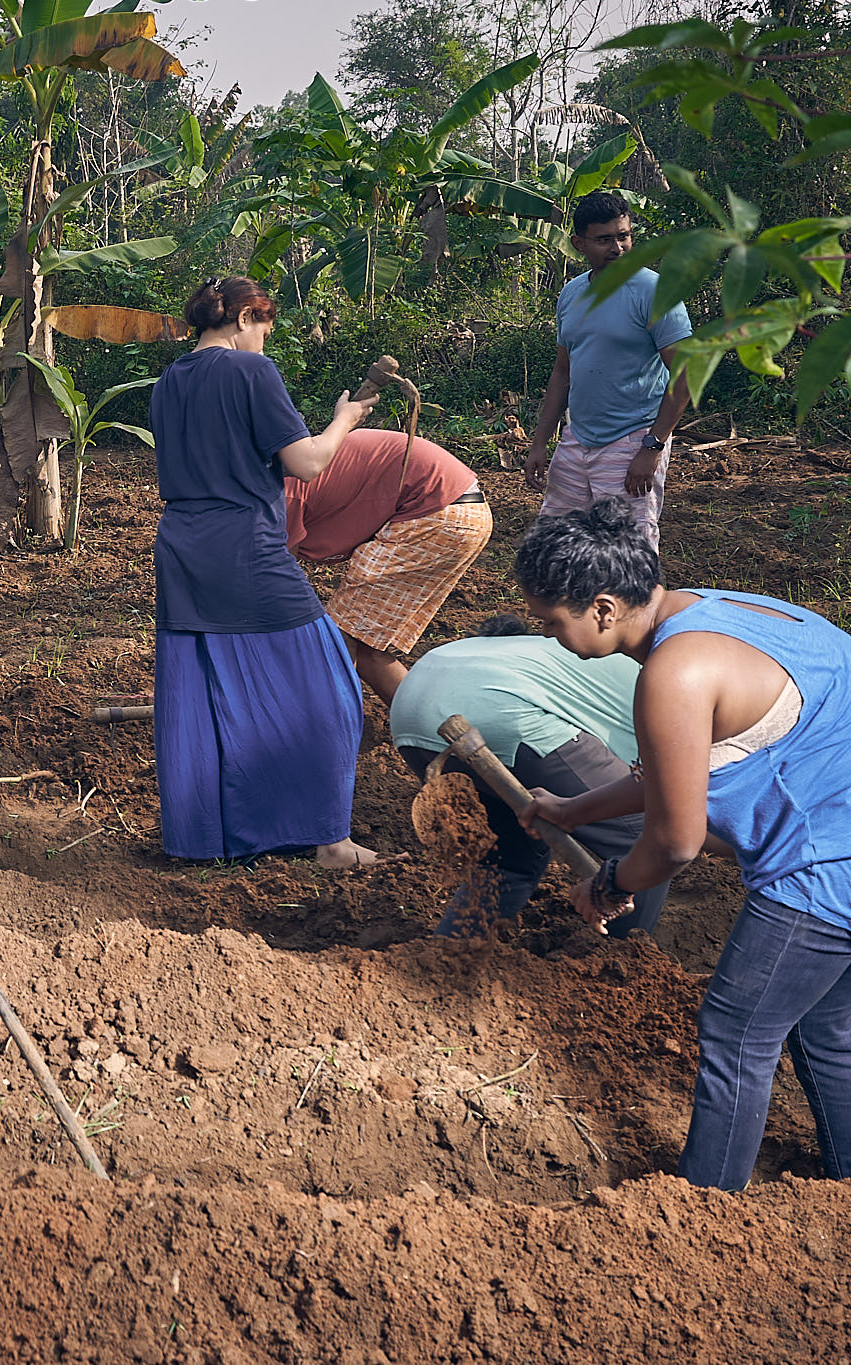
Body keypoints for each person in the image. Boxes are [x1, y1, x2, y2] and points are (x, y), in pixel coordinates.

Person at [516, 498, 851, 1191]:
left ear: (603, 608)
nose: (548, 635)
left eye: (553, 621)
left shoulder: (672, 674)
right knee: (824, 1027)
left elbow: (674, 841)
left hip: (827, 866)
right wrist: (575, 809)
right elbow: (681, 768)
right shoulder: (718, 612)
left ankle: (701, 1216)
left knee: (736, 1030)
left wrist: (611, 884)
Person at [149, 277, 388, 869]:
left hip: (181, 545)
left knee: (201, 688)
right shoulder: (251, 372)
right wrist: (345, 419)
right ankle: (330, 839)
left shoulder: (167, 382)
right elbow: (305, 463)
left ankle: (206, 839)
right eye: (262, 329)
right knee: (331, 686)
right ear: (240, 320)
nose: (262, 342)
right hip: (245, 546)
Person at [388, 614, 666, 936]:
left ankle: (453, 957)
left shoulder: (535, 652)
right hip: (502, 712)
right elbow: (658, 785)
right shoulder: (663, 676)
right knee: (644, 840)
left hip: (409, 712)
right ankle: (627, 969)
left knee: (510, 856)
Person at [522, 190, 694, 551]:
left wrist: (652, 447)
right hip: (577, 439)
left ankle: (635, 610)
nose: (617, 248)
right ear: (578, 243)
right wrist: (540, 443)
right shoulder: (571, 294)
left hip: (632, 439)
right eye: (604, 240)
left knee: (628, 551)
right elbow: (562, 373)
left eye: (624, 236)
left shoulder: (655, 292)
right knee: (556, 544)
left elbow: (685, 376)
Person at [287, 428, 493, 704]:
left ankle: (325, 724)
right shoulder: (289, 464)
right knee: (366, 645)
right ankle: (431, 731)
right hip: (455, 510)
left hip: (438, 514)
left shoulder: (281, 490)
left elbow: (280, 579)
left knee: (339, 637)